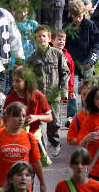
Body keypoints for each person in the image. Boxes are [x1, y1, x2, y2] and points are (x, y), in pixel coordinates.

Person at [25, 25, 70, 157]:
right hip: (38, 97)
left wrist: (63, 89)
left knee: (54, 123)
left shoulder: (57, 54)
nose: (41, 39)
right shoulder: (31, 59)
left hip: (53, 96)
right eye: (38, 36)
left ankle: (54, 141)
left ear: (49, 38)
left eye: (44, 36)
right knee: (37, 124)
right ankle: (42, 150)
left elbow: (65, 72)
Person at [0, 102, 46, 192]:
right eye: (16, 116)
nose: (21, 119)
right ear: (7, 117)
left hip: (24, 187)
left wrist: (42, 183)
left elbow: (36, 162)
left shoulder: (30, 138)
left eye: (23, 116)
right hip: (2, 187)